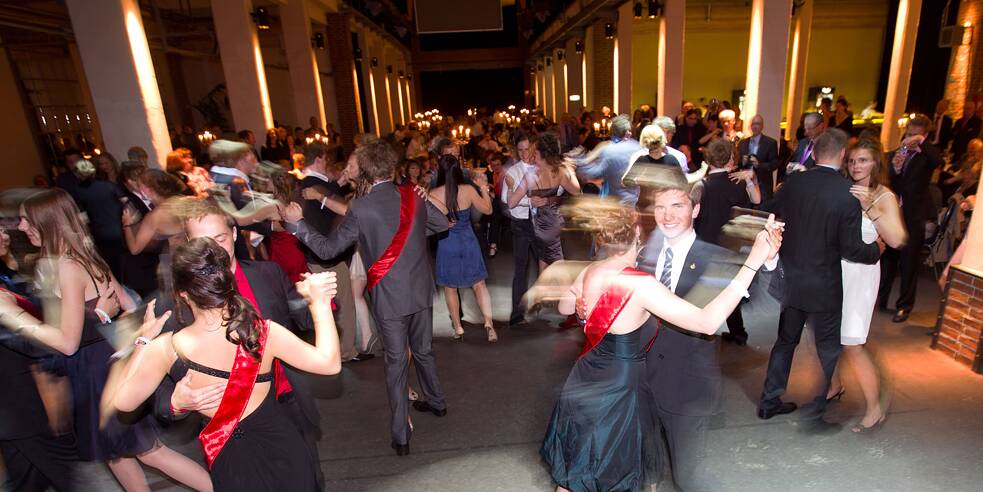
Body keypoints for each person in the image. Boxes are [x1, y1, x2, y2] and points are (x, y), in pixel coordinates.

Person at [542, 201, 783, 492]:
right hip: (621, 390)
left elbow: (566, 305)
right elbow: (707, 322)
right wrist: (752, 261)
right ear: (638, 233)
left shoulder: (590, 271)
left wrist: (583, 310)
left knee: (577, 472)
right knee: (622, 473)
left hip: (585, 378)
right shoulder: (640, 284)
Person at [0, 188, 211, 491]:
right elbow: (129, 303)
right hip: (101, 365)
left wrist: (14, 317)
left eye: (25, 220)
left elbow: (67, 342)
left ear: (46, 221)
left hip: (94, 372)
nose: (20, 227)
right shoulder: (81, 257)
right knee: (119, 457)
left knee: (150, 452)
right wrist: (100, 318)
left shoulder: (66, 267)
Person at [110, 238, 340, 491]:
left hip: (232, 463)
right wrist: (319, 304)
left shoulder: (166, 349)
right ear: (227, 280)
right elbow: (329, 364)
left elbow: (123, 402)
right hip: (285, 450)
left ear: (182, 293)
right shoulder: (263, 333)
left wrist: (143, 341)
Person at [283, 138, 449, 456]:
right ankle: (437, 403)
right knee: (425, 350)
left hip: (389, 294)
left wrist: (299, 225)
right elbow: (442, 224)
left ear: (367, 172)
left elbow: (329, 250)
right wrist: (415, 227)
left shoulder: (361, 207)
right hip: (420, 287)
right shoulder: (411, 194)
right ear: (390, 166)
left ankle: (401, 435)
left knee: (397, 363)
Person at [758, 128, 883, 430]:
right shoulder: (846, 194)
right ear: (842, 155)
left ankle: (769, 401)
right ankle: (816, 412)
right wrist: (876, 250)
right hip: (825, 283)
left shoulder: (792, 184)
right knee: (828, 346)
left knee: (785, 342)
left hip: (792, 278)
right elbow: (852, 249)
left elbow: (773, 216)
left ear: (813, 154)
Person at [826, 138, 907, 433]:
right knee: (830, 333)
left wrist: (869, 207)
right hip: (837, 270)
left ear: (876, 163)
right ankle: (834, 386)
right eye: (852, 160)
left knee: (852, 342)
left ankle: (874, 408)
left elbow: (896, 240)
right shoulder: (844, 189)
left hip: (861, 275)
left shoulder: (883, 195)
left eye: (863, 160)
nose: (856, 166)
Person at [0, 229, 78, 492]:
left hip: (20, 402)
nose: (5, 234)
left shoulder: (6, 272)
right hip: (14, 403)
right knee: (64, 474)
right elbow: (19, 339)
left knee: (28, 479)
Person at [293, 142, 359, 362]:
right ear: (320, 159)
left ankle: (333, 350)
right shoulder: (318, 187)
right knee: (343, 306)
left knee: (327, 306)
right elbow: (347, 211)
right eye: (327, 160)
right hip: (330, 255)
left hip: (312, 254)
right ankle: (346, 352)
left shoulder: (303, 185)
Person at [877, 115, 943, 323]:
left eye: (915, 134)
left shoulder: (927, 154)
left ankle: (904, 306)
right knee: (888, 259)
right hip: (896, 212)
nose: (910, 138)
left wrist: (921, 143)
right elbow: (893, 179)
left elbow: (938, 161)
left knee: (908, 262)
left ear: (924, 134)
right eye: (909, 133)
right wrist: (896, 168)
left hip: (914, 215)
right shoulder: (902, 151)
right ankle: (881, 299)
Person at [430, 155, 496, 342]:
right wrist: (483, 189)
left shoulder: (433, 194)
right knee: (479, 284)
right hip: (468, 241)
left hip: (447, 242)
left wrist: (443, 223)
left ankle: (458, 327)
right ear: (458, 169)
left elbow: (427, 222)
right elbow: (488, 210)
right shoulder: (467, 190)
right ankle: (489, 323)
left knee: (450, 288)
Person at [509, 133, 581, 271]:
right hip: (553, 224)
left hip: (539, 227)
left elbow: (512, 203)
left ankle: (560, 292)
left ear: (538, 152)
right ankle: (557, 292)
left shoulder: (530, 175)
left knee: (548, 264)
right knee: (549, 263)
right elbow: (576, 191)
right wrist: (571, 171)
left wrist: (511, 187)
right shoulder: (559, 171)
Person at [209, 139, 273, 260]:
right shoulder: (234, 183)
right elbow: (244, 218)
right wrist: (273, 226)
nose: (256, 163)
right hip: (240, 248)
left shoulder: (224, 178)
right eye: (253, 157)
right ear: (243, 158)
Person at [502, 132, 539, 326]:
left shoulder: (542, 167)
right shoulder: (512, 172)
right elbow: (507, 201)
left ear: (534, 147)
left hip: (540, 222)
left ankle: (555, 307)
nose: (524, 153)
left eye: (527, 149)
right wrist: (529, 200)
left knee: (549, 264)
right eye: (520, 150)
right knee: (521, 268)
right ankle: (516, 314)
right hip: (521, 225)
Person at [73, 159, 127, 280]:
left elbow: (82, 218)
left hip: (100, 234)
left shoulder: (77, 192)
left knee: (112, 269)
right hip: (120, 231)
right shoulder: (109, 186)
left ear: (77, 174)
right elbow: (126, 203)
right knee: (125, 265)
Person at [574, 115, 641, 207]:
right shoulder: (638, 147)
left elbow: (595, 173)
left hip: (615, 203)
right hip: (634, 201)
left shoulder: (609, 149)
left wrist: (579, 164)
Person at [738, 115, 781, 201]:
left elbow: (775, 164)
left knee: (761, 211)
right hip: (745, 184)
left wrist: (759, 165)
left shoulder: (770, 143)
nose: (755, 126)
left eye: (757, 124)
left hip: (763, 185)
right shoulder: (743, 143)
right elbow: (738, 163)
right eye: (753, 124)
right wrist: (743, 162)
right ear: (750, 126)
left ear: (762, 126)